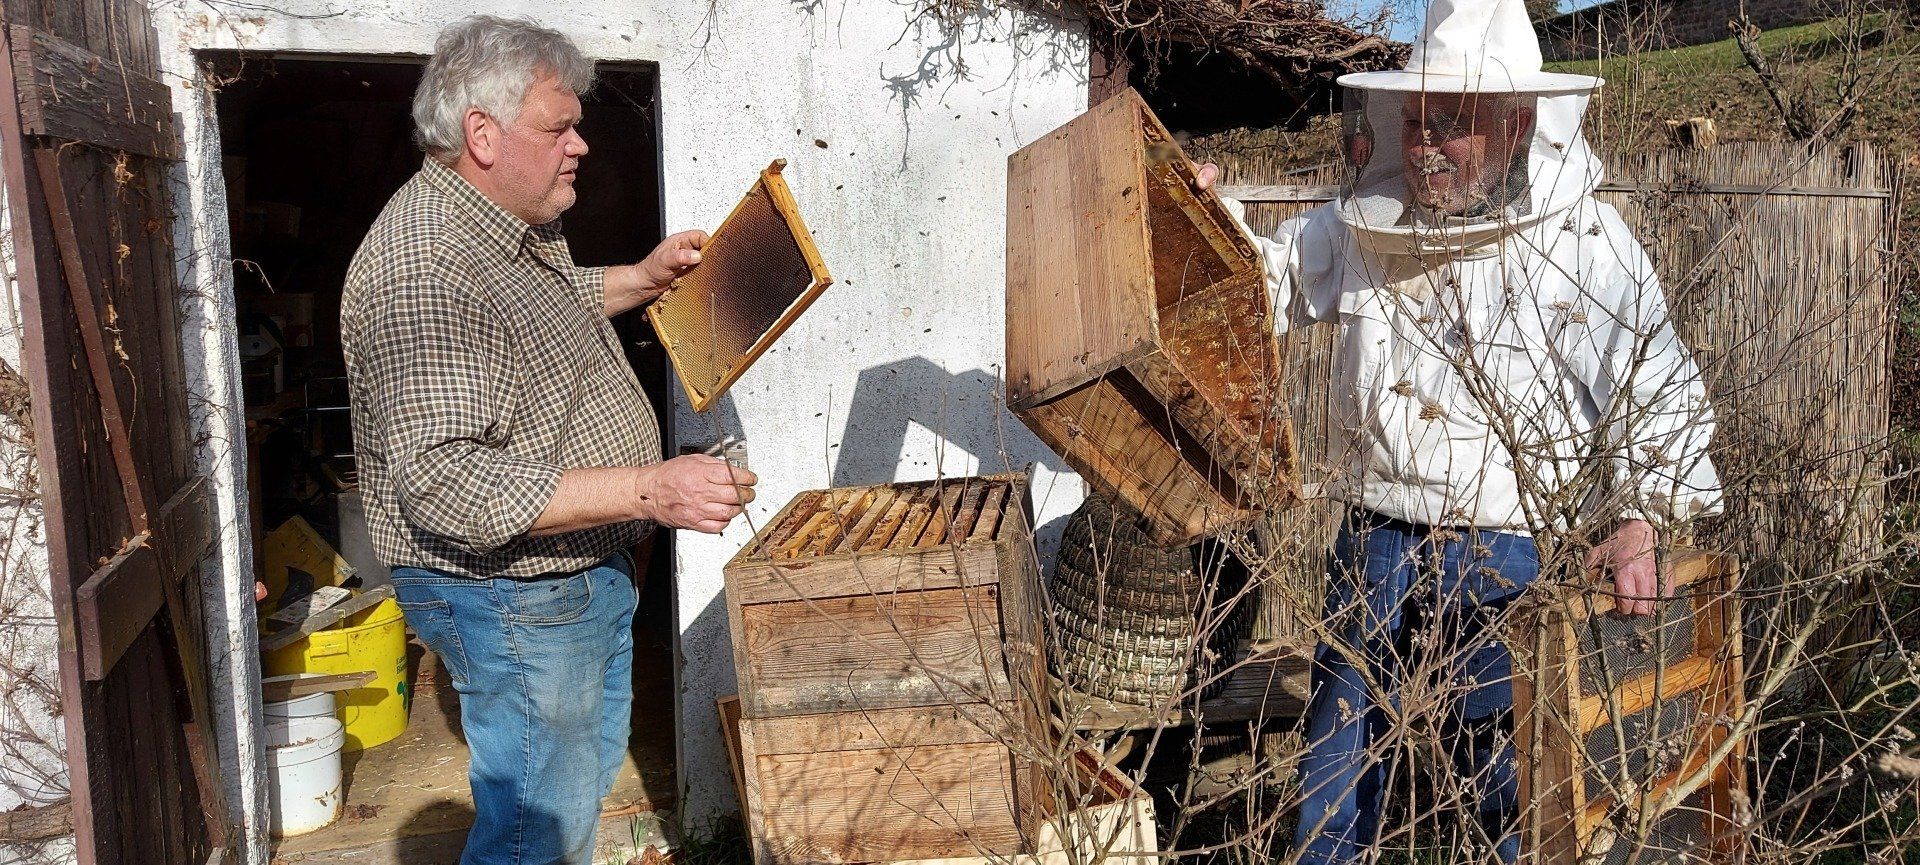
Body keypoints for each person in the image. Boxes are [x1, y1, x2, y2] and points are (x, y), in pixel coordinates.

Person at [1197, 0, 1722, 861]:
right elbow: (1266, 283)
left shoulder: (1583, 238)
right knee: (1336, 773)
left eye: (1452, 123)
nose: (1425, 146)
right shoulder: (1365, 220)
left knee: (1511, 787)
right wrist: (1201, 225)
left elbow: (1653, 379)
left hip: (1505, 552)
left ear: (1518, 125)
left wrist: (1643, 515)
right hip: (1371, 540)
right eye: (1415, 121)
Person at [340, 16, 756, 865]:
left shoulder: (504, 224)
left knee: (572, 798)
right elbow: (447, 482)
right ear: (482, 134)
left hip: (566, 579)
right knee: (536, 834)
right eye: (558, 127)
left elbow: (534, 308)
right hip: (512, 596)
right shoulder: (426, 267)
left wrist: (638, 279)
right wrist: (650, 488)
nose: (581, 145)